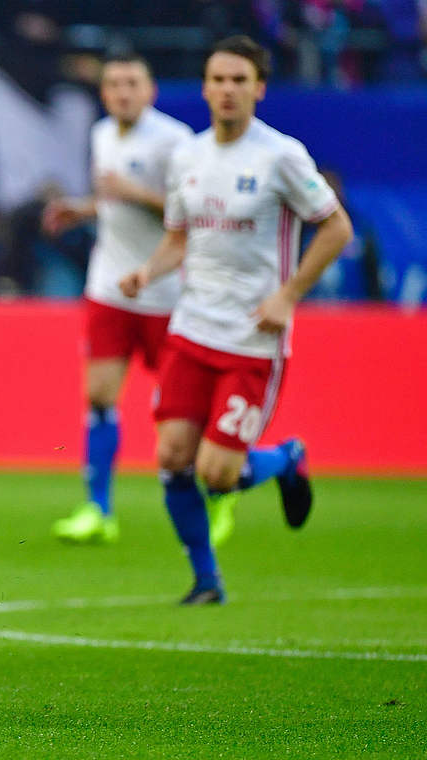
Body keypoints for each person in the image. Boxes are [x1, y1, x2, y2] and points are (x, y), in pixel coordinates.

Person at [119, 35, 352, 604]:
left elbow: (337, 227)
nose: (227, 90)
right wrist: (148, 272)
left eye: (239, 80)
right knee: (173, 459)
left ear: (259, 88)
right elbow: (180, 237)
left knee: (218, 474)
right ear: (204, 87)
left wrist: (289, 295)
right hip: (192, 329)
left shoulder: (282, 156)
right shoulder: (188, 157)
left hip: (253, 338)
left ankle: (287, 459)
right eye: (218, 79)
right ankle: (206, 581)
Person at [41, 53, 235, 545]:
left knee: (181, 409)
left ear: (150, 91)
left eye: (132, 83)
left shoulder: (176, 144)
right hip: (109, 286)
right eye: (113, 84)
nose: (122, 92)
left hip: (166, 294)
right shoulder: (101, 133)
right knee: (100, 395)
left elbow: (191, 214)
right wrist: (81, 210)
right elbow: (112, 205)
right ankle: (98, 510)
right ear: (104, 93)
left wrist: (131, 191)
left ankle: (219, 488)